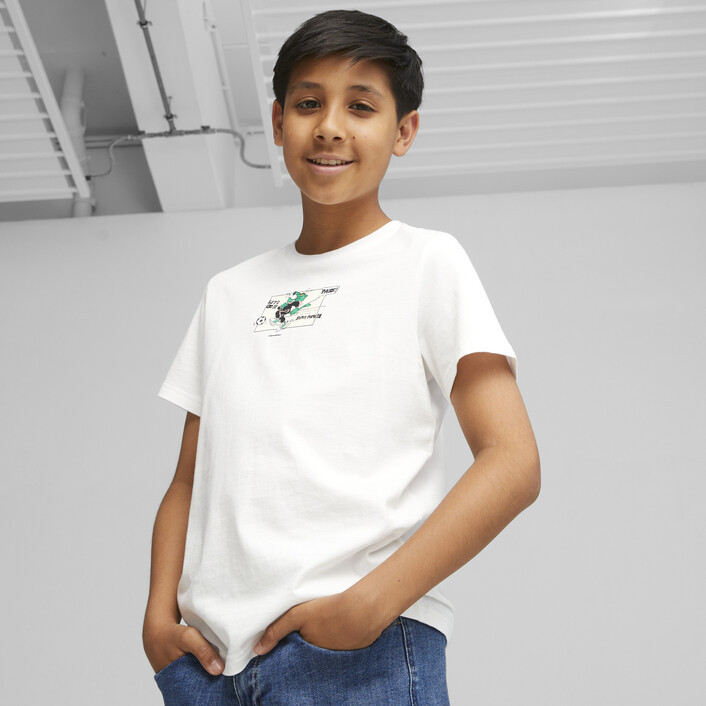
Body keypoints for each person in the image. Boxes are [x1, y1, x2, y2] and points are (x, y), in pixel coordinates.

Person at [142, 8, 541, 705]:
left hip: (357, 654)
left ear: (404, 131)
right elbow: (187, 481)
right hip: (210, 667)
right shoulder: (228, 293)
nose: (329, 126)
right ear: (277, 123)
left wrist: (369, 605)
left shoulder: (428, 261)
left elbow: (513, 462)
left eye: (360, 106)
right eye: (308, 104)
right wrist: (157, 618)